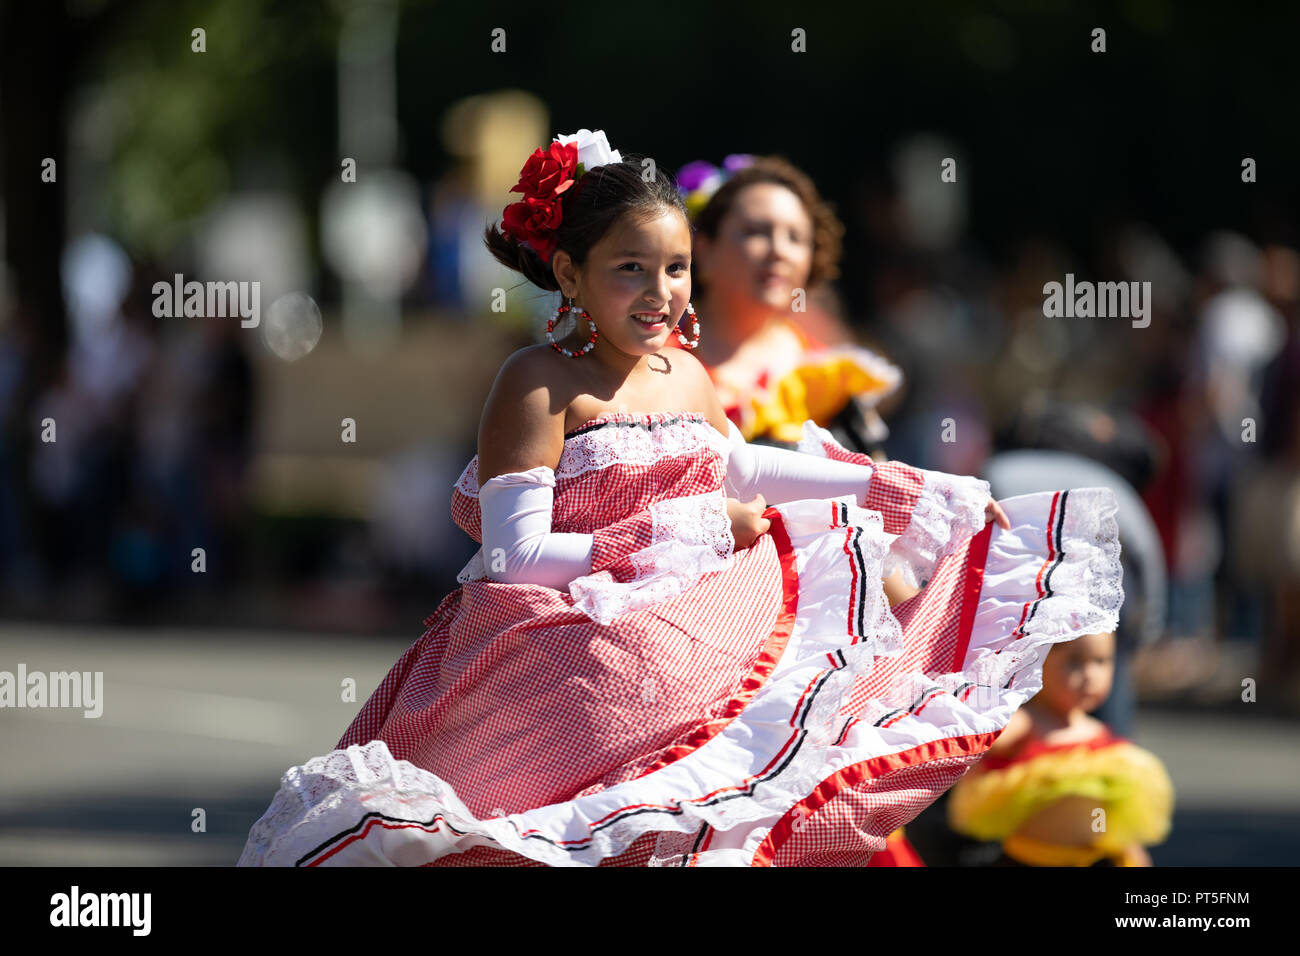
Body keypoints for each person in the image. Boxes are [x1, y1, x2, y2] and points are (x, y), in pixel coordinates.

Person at [238, 129, 1124, 867]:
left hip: (681, 654)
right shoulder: (538, 382)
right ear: (570, 273)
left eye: (675, 269)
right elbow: (513, 556)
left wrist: (905, 488)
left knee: (717, 806)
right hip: (555, 665)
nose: (660, 294)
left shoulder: (686, 375)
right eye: (632, 269)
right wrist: (687, 531)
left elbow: (748, 471)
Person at [676, 155, 900, 457]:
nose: (779, 251)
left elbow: (870, 484)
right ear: (703, 250)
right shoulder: (650, 359)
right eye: (756, 231)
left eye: (796, 238)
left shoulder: (826, 377)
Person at [946, 631, 1174, 866]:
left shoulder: (1098, 732)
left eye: (1101, 661)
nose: (1090, 676)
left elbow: (1103, 811)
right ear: (1036, 663)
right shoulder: (1026, 723)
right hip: (1031, 861)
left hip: (1095, 858)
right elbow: (978, 741)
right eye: (1074, 662)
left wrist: (1127, 848)